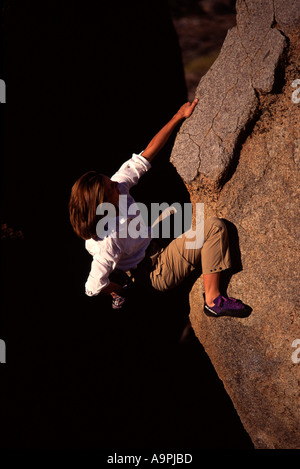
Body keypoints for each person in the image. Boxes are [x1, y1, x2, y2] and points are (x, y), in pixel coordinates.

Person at [69, 99, 251, 317]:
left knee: (172, 213)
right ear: (104, 204)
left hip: (149, 245)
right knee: (214, 228)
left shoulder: (119, 189)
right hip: (155, 270)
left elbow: (147, 154)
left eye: (111, 181)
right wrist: (119, 290)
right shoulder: (108, 239)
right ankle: (213, 300)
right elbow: (92, 287)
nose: (117, 183)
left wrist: (178, 116)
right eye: (111, 187)